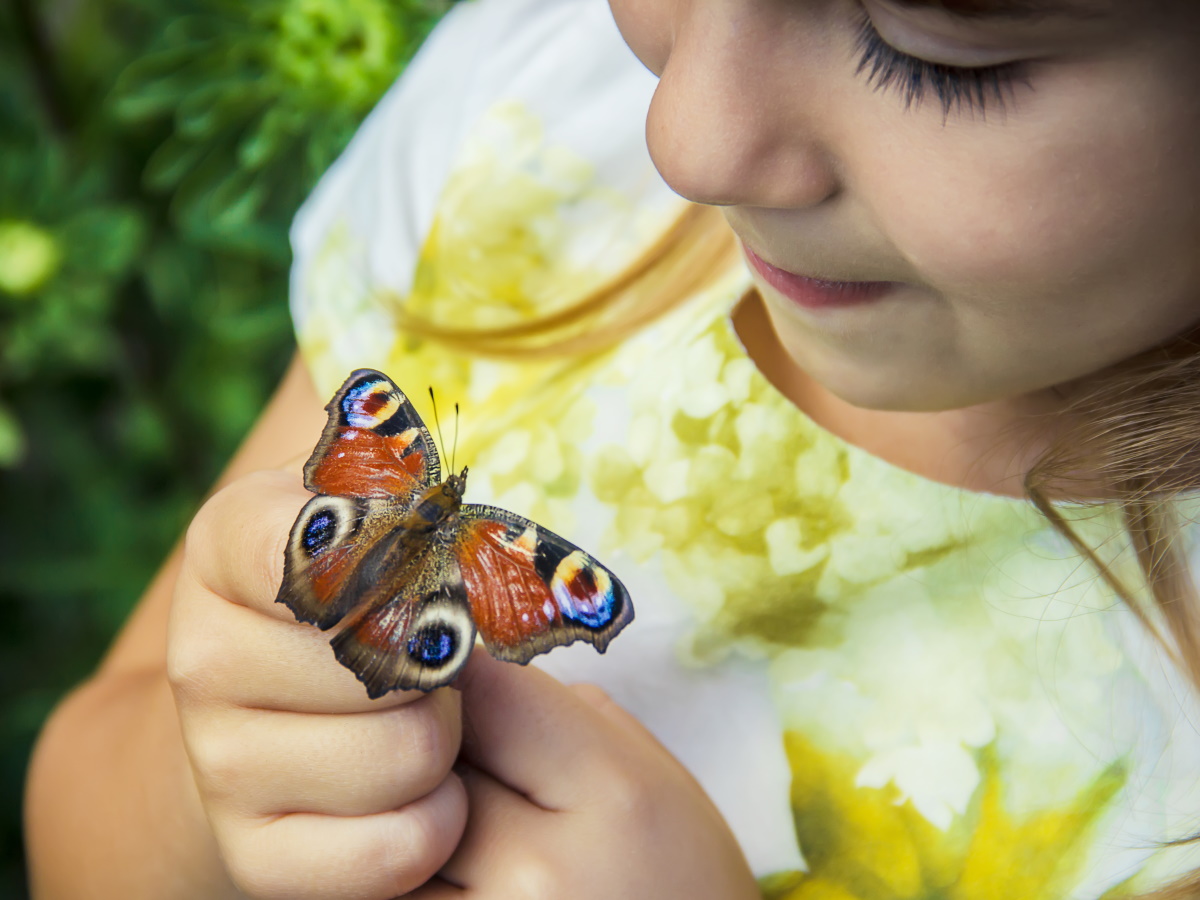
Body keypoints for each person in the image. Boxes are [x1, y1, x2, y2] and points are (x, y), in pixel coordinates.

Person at [24, 0, 1200, 896]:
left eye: (933, 50)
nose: (686, 140)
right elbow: (82, 830)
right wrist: (223, 780)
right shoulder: (537, 103)